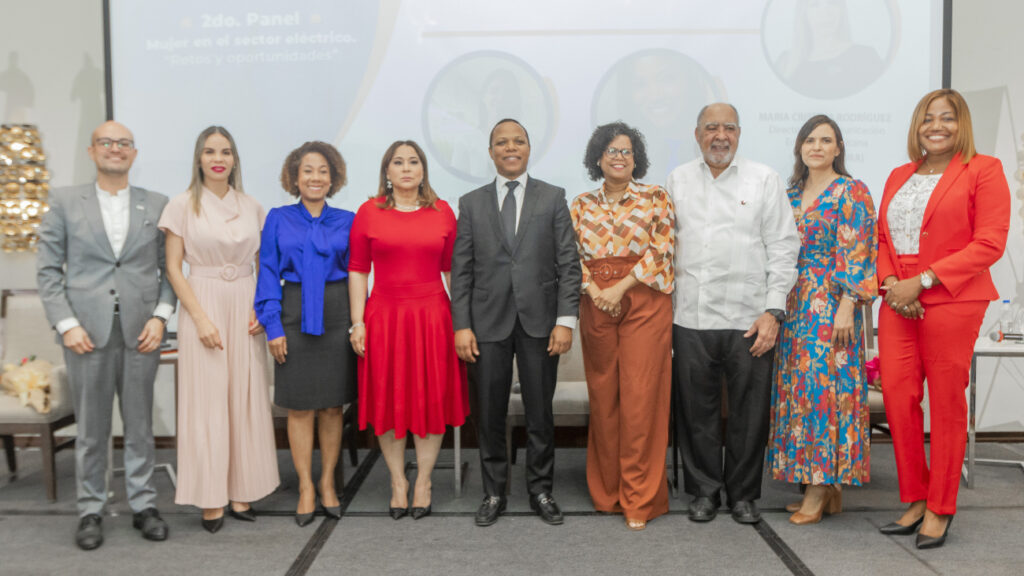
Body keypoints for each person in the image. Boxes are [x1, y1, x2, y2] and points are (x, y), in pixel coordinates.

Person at [876, 89, 1010, 549]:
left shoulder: (984, 169)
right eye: (927, 118)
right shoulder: (899, 174)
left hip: (953, 298)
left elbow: (990, 242)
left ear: (962, 124)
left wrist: (926, 280)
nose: (936, 126)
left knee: (946, 402)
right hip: (898, 299)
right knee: (897, 396)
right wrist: (895, 283)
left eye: (947, 118)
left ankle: (940, 506)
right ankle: (914, 498)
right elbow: (881, 241)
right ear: (916, 127)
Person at [36, 121, 177, 550]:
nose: (115, 149)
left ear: (133, 153)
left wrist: (160, 317)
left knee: (139, 425)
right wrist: (67, 324)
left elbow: (169, 268)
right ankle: (91, 509)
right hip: (84, 333)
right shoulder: (63, 202)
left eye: (123, 143)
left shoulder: (157, 203)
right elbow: (47, 271)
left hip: (142, 332)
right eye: (107, 142)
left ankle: (143, 504)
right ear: (92, 150)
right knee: (93, 428)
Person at [667, 103, 800, 525]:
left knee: (749, 411)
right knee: (696, 412)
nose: (719, 135)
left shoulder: (764, 179)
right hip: (691, 315)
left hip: (749, 317)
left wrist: (773, 311)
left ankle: (743, 494)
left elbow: (783, 247)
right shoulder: (677, 180)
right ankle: (705, 491)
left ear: (739, 134)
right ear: (697, 133)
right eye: (711, 128)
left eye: (728, 128)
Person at [451, 118, 582, 527]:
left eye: (519, 141)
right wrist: (461, 325)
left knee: (540, 412)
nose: (511, 147)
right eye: (502, 142)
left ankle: (541, 489)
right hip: (485, 323)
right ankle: (494, 492)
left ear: (529, 148)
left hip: (541, 322)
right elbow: (462, 271)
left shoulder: (553, 197)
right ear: (490, 152)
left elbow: (568, 265)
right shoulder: (471, 203)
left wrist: (565, 321)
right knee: (488, 413)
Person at [160, 126, 279, 533]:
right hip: (203, 301)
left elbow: (266, 265)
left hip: (246, 303)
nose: (218, 158)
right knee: (206, 402)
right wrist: (200, 319)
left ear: (235, 159)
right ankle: (211, 497)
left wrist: (263, 309)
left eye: (226, 151)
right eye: (210, 151)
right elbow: (175, 268)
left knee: (246, 398)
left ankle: (242, 490)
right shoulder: (181, 205)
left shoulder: (252, 205)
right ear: (198, 158)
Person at [348, 140, 467, 521]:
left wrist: (462, 323)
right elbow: (357, 270)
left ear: (423, 170)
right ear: (387, 170)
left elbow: (454, 272)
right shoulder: (368, 212)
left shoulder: (443, 212)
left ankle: (424, 481)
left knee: (430, 398)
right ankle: (398, 480)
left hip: (433, 316)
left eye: (413, 161)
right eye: (397, 162)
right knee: (389, 398)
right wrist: (357, 322)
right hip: (383, 315)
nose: (406, 168)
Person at [767, 115, 877, 525]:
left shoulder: (852, 191)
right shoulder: (789, 194)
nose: (816, 146)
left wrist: (849, 303)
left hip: (832, 307)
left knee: (826, 395)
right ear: (799, 147)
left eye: (825, 140)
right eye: (809, 140)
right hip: (793, 306)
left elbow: (861, 250)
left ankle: (818, 488)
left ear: (839, 147)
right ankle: (825, 489)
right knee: (799, 393)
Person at [570, 122, 675, 531]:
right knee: (604, 397)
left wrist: (620, 288)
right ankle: (608, 492)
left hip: (644, 300)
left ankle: (639, 498)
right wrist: (596, 289)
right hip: (595, 300)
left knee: (640, 396)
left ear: (637, 159)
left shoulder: (655, 198)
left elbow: (662, 250)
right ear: (598, 157)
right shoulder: (580, 204)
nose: (619, 157)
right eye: (611, 151)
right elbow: (570, 254)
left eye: (627, 151)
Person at [255, 141, 357, 527]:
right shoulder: (278, 218)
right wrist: (273, 326)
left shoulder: (347, 220)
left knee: (332, 406)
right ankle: (305, 487)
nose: (316, 177)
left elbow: (357, 274)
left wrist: (356, 323)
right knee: (299, 407)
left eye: (323, 171)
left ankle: (328, 482)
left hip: (336, 314)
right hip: (293, 311)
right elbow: (266, 271)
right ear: (294, 177)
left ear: (334, 179)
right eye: (308, 171)